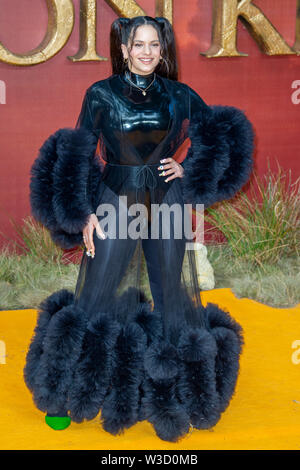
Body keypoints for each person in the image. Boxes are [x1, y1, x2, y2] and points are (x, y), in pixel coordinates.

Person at [24, 16, 255, 442]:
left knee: (171, 291)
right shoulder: (101, 95)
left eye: (154, 45)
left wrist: (189, 169)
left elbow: (222, 135)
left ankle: (177, 394)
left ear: (163, 50)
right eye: (138, 44)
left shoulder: (179, 96)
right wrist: (84, 213)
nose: (146, 52)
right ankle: (59, 393)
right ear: (124, 49)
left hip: (166, 203)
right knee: (96, 290)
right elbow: (76, 152)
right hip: (115, 201)